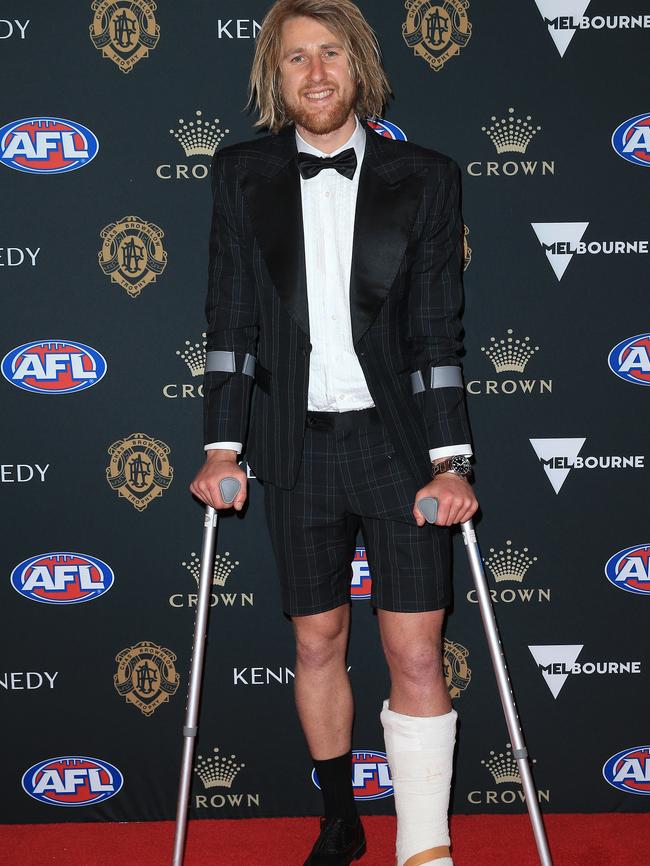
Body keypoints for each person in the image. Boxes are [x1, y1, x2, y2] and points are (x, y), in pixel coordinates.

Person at [190, 2, 478, 864]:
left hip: (397, 452)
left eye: (331, 55)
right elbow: (231, 318)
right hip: (297, 445)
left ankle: (424, 847)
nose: (315, 74)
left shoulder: (424, 176)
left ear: (359, 67)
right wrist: (221, 446)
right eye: (295, 60)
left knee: (414, 651)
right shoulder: (241, 175)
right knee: (317, 640)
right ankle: (339, 816)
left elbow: (437, 330)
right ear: (273, 78)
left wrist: (449, 459)